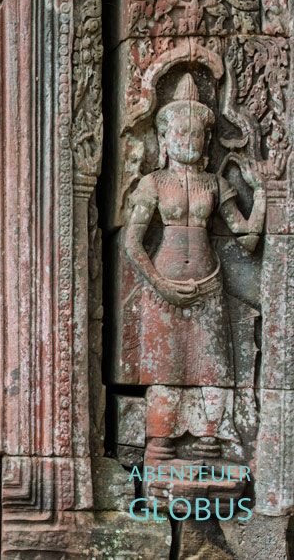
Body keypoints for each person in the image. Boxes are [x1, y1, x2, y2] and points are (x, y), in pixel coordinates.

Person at [123, 73, 265, 464]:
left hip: (209, 287)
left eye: (197, 134)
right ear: (164, 139)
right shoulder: (154, 184)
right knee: (165, 369)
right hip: (162, 289)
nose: (189, 141)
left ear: (206, 140)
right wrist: (158, 283)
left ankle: (210, 447)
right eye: (180, 133)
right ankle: (160, 448)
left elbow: (248, 238)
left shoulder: (215, 185)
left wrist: (264, 194)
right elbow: (131, 242)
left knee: (213, 369)